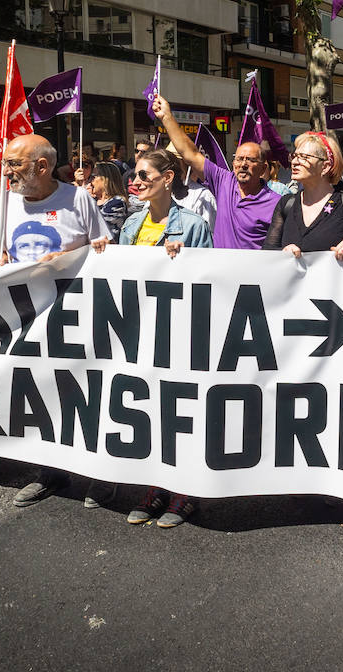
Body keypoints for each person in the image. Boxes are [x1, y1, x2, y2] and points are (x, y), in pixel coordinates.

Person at [0, 133, 110, 507]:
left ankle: (100, 475)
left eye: (14, 163)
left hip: (76, 318)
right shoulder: (5, 201)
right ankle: (50, 472)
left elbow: (104, 251)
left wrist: (65, 258)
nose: (6, 171)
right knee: (40, 396)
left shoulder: (77, 198)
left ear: (42, 167)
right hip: (25, 320)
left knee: (88, 395)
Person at [119, 149, 211, 527]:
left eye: (144, 175)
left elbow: (209, 283)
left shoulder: (192, 225)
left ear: (168, 178)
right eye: (134, 176)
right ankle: (157, 485)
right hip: (141, 331)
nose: (136, 181)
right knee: (151, 411)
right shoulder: (130, 225)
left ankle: (184, 492)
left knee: (181, 412)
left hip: (180, 333)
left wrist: (185, 259)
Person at [152, 95, 280, 250]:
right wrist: (166, 117)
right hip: (220, 272)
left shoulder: (276, 203)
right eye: (239, 159)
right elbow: (190, 154)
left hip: (255, 273)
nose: (243, 164)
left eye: (250, 160)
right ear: (233, 164)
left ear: (263, 168)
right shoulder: (224, 182)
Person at [264, 132, 343, 260]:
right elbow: (267, 250)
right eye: (294, 156)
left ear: (326, 166)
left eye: (304, 157)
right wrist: (283, 251)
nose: (295, 162)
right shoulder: (286, 203)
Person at [88, 161, 129, 241]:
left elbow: (96, 226)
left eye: (93, 177)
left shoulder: (117, 202)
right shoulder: (93, 200)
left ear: (105, 179)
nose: (90, 181)